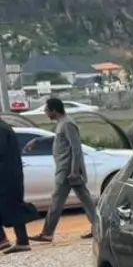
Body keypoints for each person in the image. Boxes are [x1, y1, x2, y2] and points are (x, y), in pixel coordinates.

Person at [29, 97, 97, 243]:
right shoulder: (62, 123)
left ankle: (47, 233)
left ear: (53, 110)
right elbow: (58, 139)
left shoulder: (67, 124)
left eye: (47, 110)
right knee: (86, 200)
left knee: (57, 201)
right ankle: (98, 228)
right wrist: (37, 141)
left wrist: (74, 171)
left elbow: (76, 148)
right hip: (67, 169)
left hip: (67, 171)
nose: (46, 114)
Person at [0, 119, 37, 254]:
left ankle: (7, 240)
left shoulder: (1, 129)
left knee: (13, 206)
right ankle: (20, 241)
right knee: (13, 206)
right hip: (9, 174)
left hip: (5, 175)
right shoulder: (5, 127)